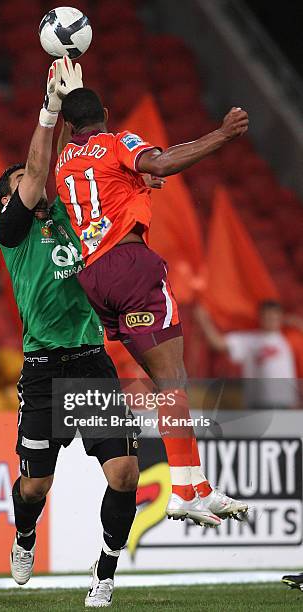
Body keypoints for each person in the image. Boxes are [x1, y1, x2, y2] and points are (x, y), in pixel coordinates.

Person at [55, 87, 250, 526]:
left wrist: (141, 182)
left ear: (68, 126)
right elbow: (160, 161)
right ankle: (183, 491)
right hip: (131, 264)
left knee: (168, 383)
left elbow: (106, 187)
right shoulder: (118, 141)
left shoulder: (64, 162)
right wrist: (221, 135)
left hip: (95, 276)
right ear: (104, 114)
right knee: (172, 380)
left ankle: (198, 485)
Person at [0, 58, 139, 608]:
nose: (33, 190)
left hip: (90, 363)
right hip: (43, 368)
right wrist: (50, 109)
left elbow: (78, 174)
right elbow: (35, 175)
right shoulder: (12, 233)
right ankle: (25, 535)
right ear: (7, 204)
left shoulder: (74, 218)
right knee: (35, 486)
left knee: (125, 472)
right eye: (20, 189)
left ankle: (104, 571)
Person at [195, 301, 298, 409]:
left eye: (274, 315)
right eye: (267, 315)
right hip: (258, 403)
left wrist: (295, 322)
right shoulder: (249, 340)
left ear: (281, 317)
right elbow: (218, 343)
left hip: (286, 403)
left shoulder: (291, 338)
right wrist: (204, 320)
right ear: (260, 317)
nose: (270, 319)